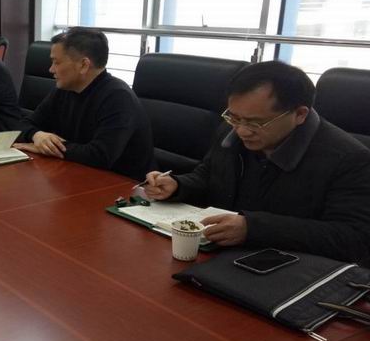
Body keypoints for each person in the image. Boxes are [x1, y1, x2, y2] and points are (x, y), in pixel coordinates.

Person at [144, 60, 370, 265]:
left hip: (283, 270)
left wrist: (253, 229)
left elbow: (353, 239)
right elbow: (209, 174)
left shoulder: (350, 159)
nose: (242, 130)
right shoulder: (232, 129)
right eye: (234, 117)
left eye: (256, 123)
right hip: (216, 256)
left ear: (300, 114)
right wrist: (178, 185)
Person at [14, 28, 154, 179]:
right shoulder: (64, 89)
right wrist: (37, 135)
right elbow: (22, 125)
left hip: (125, 185)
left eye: (56, 62)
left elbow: (100, 155)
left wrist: (48, 148)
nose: (51, 69)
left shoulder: (118, 97)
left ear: (83, 65)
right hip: (76, 174)